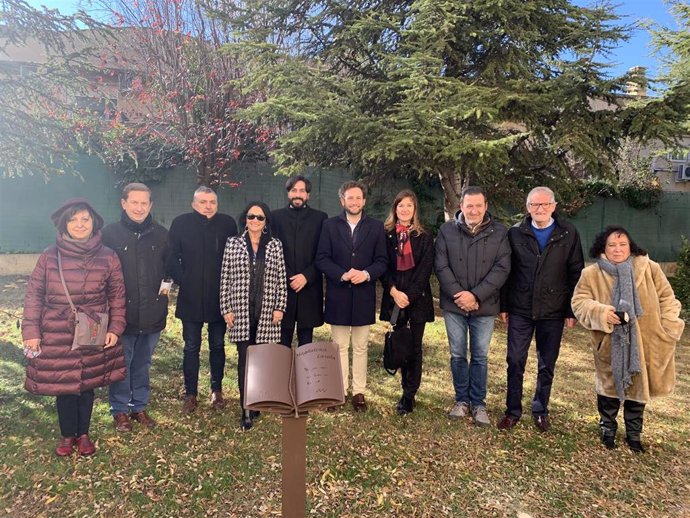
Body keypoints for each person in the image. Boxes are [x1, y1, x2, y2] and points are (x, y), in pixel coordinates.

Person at [22, 198, 126, 457]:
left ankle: (84, 433)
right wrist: (31, 332)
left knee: (86, 382)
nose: (79, 224)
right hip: (57, 329)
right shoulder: (48, 256)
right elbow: (34, 295)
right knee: (64, 384)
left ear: (94, 223)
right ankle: (68, 434)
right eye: (73, 219)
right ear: (64, 224)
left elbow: (117, 296)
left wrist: (115, 327)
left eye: (85, 219)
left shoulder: (108, 256)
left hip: (92, 325)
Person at [571, 226, 684, 453]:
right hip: (610, 341)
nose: (617, 249)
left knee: (638, 388)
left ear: (630, 246)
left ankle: (634, 434)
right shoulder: (591, 274)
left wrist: (669, 328)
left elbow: (667, 298)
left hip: (647, 341)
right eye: (612, 245)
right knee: (609, 388)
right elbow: (579, 302)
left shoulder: (649, 268)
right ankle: (607, 429)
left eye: (622, 245)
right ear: (603, 248)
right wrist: (603, 313)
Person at [497, 187, 584, 433]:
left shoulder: (568, 233)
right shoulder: (515, 233)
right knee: (515, 360)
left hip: (553, 310)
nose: (540, 209)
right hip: (520, 308)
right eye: (535, 205)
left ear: (554, 206)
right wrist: (504, 305)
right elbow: (506, 271)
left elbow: (575, 272)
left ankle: (540, 410)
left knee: (547, 364)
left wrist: (571, 310)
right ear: (527, 208)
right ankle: (512, 411)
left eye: (545, 204)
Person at [434, 186, 511, 427]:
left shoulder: (499, 233)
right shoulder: (447, 230)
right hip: (454, 304)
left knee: (480, 356)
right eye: (469, 206)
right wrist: (460, 294)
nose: (474, 210)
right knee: (457, 355)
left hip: (484, 305)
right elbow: (441, 265)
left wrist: (476, 295)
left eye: (478, 205)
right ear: (461, 207)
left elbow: (502, 268)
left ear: (486, 206)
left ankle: (479, 404)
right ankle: (461, 400)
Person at [102, 183, 169, 432]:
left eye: (144, 203)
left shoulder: (162, 235)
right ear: (124, 203)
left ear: (150, 205)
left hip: (152, 314)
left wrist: (163, 296)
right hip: (121, 316)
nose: (139, 208)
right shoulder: (109, 235)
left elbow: (169, 271)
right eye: (134, 202)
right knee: (121, 364)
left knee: (142, 364)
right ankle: (119, 410)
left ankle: (139, 406)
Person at [316, 180, 388, 412]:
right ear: (342, 200)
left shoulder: (376, 227)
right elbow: (322, 259)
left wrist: (366, 274)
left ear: (364, 201)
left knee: (360, 346)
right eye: (350, 197)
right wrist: (343, 274)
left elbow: (382, 261)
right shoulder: (329, 225)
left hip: (363, 295)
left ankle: (358, 391)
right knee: (338, 346)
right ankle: (338, 391)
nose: (354, 201)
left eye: (358, 198)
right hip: (338, 294)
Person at [167, 186, 238, 413]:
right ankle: (191, 393)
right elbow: (170, 258)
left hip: (220, 298)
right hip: (191, 296)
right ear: (193, 203)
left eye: (212, 202)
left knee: (218, 345)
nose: (208, 206)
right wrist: (184, 280)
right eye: (203, 202)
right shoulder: (180, 223)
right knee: (191, 347)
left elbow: (234, 257)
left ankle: (216, 391)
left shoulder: (227, 224)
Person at [220, 202, 287, 430]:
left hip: (267, 312)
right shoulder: (233, 243)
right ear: (245, 218)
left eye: (260, 217)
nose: (255, 221)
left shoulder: (275, 245)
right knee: (245, 361)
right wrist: (226, 308)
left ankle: (257, 400)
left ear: (266, 221)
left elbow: (280, 279)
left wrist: (280, 307)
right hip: (241, 311)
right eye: (251, 216)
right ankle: (246, 408)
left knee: (260, 362)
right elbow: (225, 278)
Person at [379, 190, 434, 415]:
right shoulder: (386, 235)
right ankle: (403, 387)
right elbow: (382, 265)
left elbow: (424, 271)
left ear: (414, 210)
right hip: (394, 299)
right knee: (400, 344)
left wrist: (408, 296)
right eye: (401, 205)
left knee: (415, 348)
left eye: (409, 206)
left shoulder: (424, 236)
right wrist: (393, 291)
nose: (404, 209)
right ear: (395, 209)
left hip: (417, 300)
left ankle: (409, 394)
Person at [271, 175, 328, 347]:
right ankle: (284, 374)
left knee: (306, 343)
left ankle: (304, 375)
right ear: (288, 193)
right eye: (294, 190)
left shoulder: (320, 218)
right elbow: (273, 253)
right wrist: (288, 277)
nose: (298, 194)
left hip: (309, 288)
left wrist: (306, 276)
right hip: (283, 289)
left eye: (302, 190)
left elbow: (323, 253)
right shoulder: (275, 217)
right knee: (283, 341)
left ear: (308, 195)